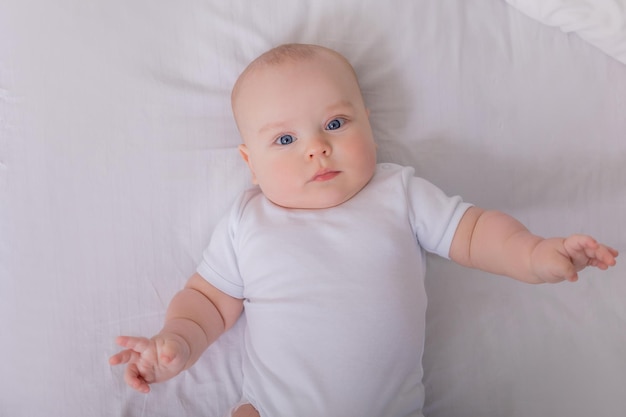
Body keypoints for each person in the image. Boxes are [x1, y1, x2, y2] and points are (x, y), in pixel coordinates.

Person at [109, 43, 618, 417]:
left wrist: (532, 253)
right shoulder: (249, 221)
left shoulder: (398, 195)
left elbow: (475, 231)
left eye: (335, 124)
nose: (317, 148)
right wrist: (176, 340)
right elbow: (208, 301)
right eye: (285, 139)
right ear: (251, 162)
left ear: (367, 124)